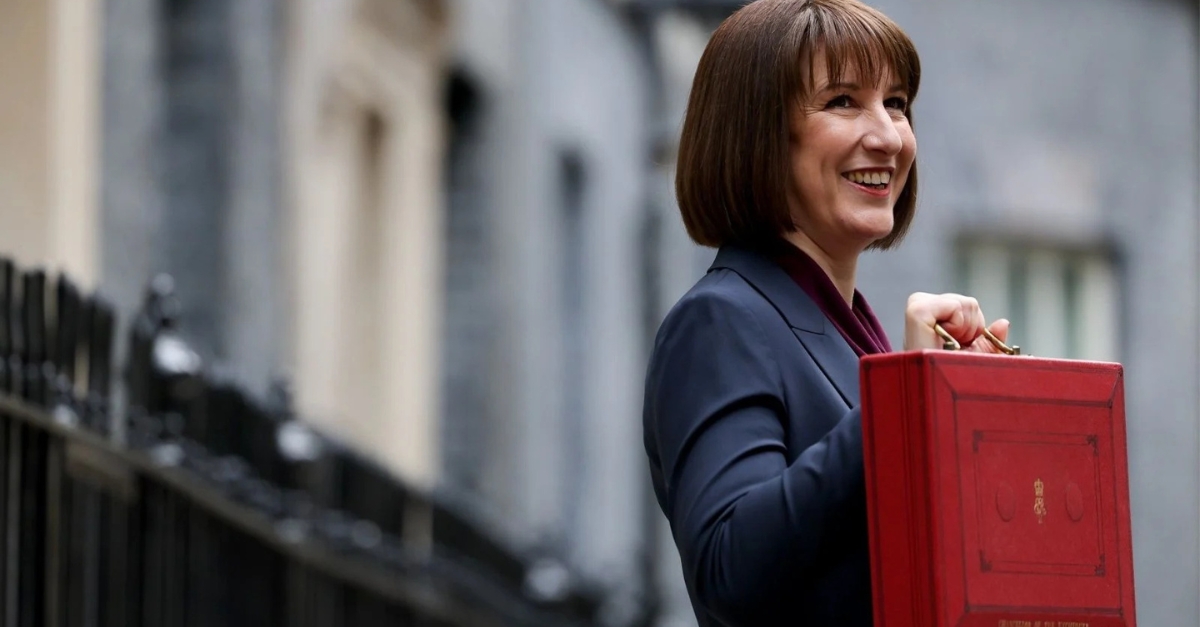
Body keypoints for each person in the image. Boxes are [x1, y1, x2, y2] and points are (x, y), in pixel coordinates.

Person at [641, 1, 1012, 625]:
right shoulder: (721, 320)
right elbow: (729, 565)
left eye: (896, 102)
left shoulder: (854, 338)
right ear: (755, 132)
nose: (889, 135)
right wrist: (906, 397)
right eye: (843, 101)